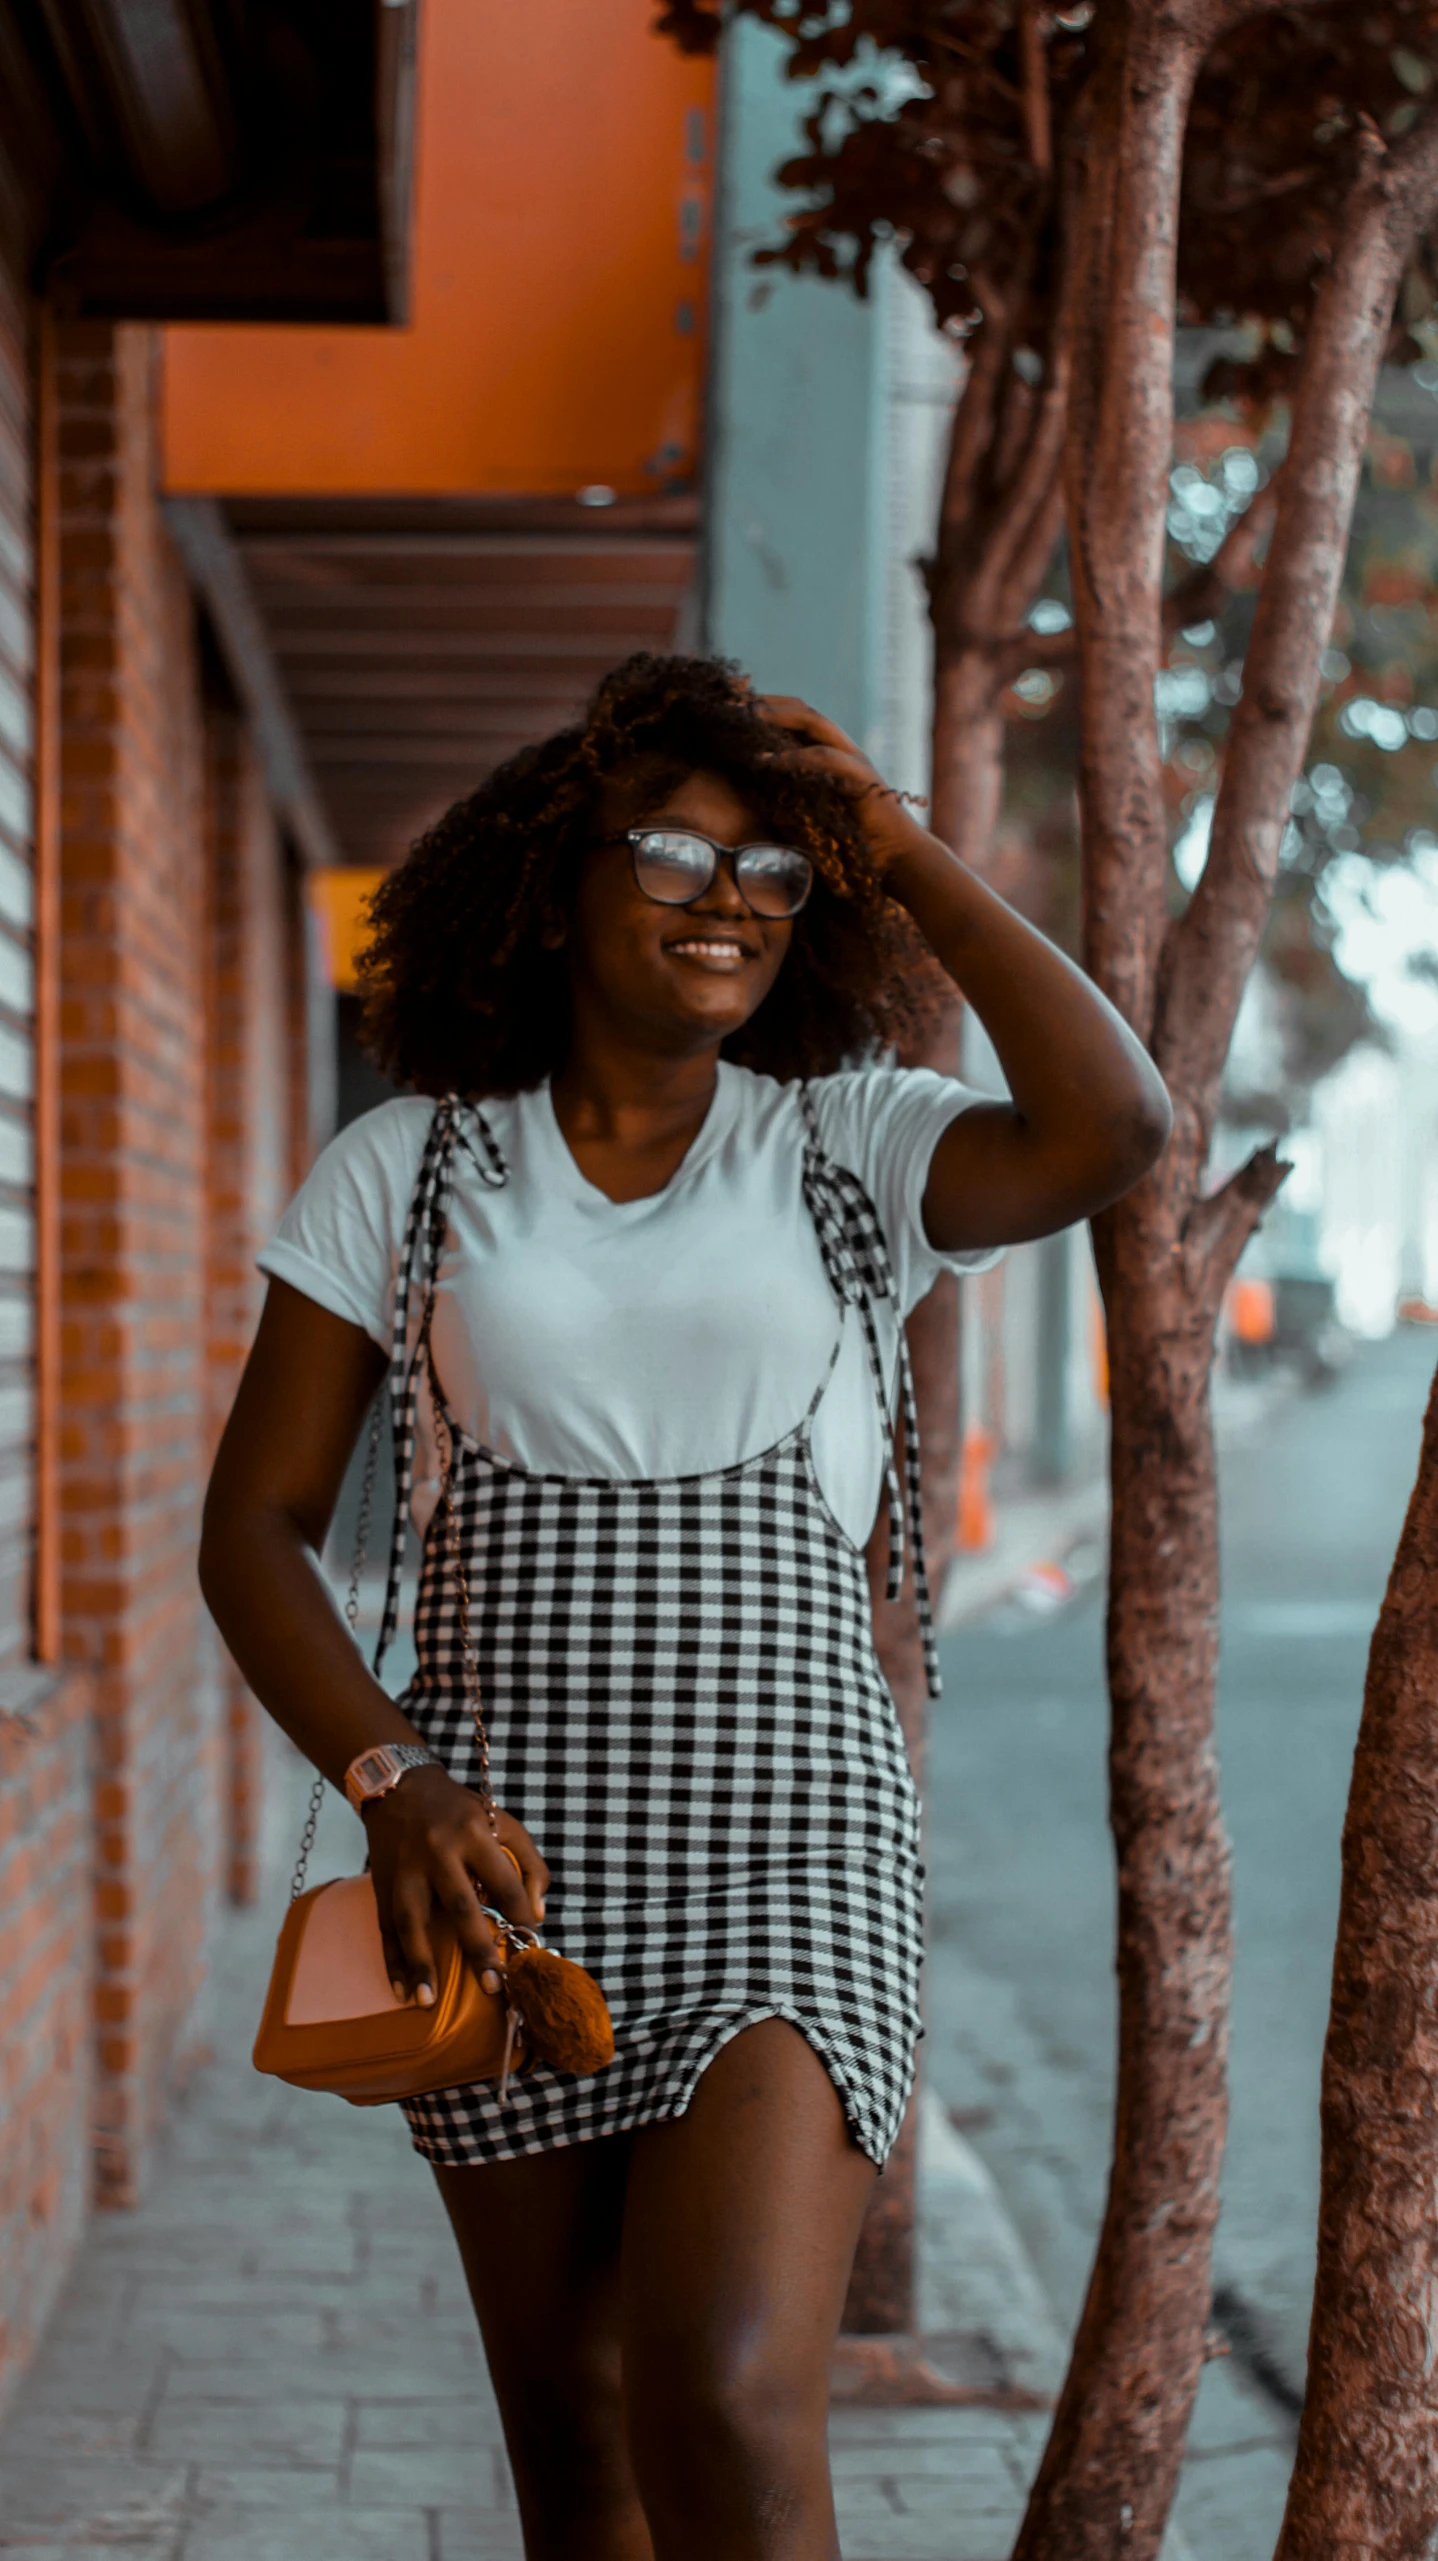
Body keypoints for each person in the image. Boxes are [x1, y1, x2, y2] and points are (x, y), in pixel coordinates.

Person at [200, 654, 1170, 2561]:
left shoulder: (847, 1146)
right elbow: (254, 1525)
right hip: (504, 1869)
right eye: (670, 850)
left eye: (770, 868)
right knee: (575, 2451)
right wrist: (394, 1784)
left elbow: (1113, 1123)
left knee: (718, 2393)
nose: (726, 897)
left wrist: (887, 840)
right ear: (555, 880)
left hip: (794, 1848)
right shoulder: (403, 1176)